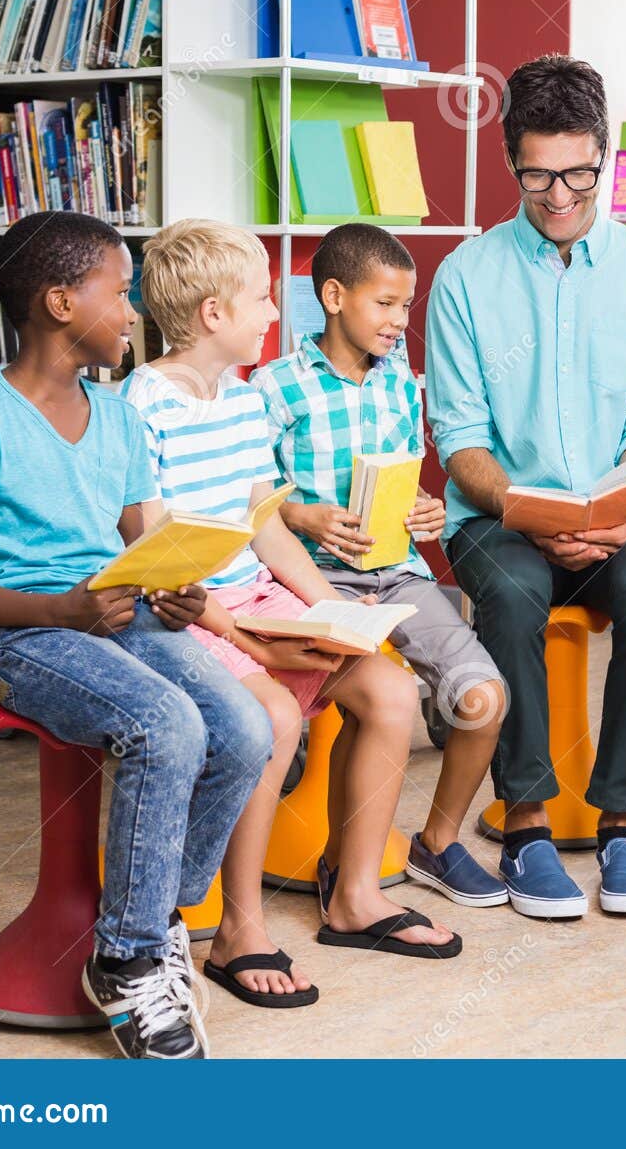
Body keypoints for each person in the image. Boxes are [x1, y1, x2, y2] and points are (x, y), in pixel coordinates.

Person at [0, 211, 274, 1058]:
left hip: (115, 608)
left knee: (247, 724)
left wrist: (173, 586)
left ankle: (157, 920)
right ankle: (127, 958)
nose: (135, 311)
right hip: (21, 632)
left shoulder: (115, 415)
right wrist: (60, 611)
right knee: (165, 723)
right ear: (60, 302)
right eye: (121, 293)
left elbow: (133, 538)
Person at [125, 219, 460, 1013]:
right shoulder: (142, 402)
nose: (274, 313)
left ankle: (354, 899)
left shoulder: (242, 400)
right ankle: (240, 928)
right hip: (185, 606)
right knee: (273, 715)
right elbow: (149, 545)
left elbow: (265, 526)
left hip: (257, 592)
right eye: (261, 299)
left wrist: (328, 604)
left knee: (390, 693)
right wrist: (240, 631)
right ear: (213, 314)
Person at [426, 54, 626, 918]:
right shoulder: (466, 276)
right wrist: (526, 511)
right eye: (538, 174)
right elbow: (460, 437)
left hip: (622, 508)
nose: (560, 194)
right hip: (499, 515)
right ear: (511, 161)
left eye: (579, 172)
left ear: (603, 155)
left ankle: (624, 821)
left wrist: (618, 512)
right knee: (510, 591)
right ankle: (528, 825)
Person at [251, 222, 509, 910]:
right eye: (385, 303)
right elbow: (248, 506)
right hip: (311, 581)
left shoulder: (402, 383)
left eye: (406, 306)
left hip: (399, 574)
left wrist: (428, 509)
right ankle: (345, 865)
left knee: (484, 699)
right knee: (370, 704)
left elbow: (402, 485)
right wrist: (302, 516)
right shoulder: (275, 387)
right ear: (334, 296)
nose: (400, 321)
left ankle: (438, 841)